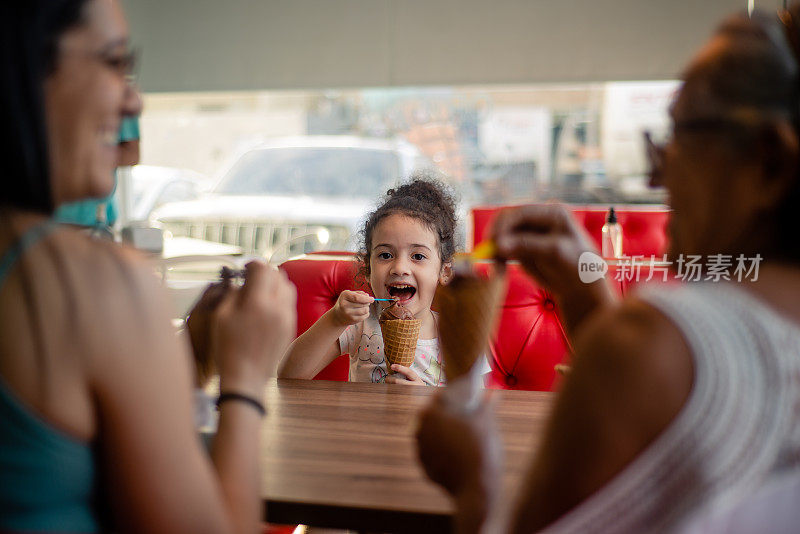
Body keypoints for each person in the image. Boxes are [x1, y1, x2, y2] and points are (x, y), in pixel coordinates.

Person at [416, 5, 800, 533]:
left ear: (771, 162)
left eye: (680, 136)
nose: (655, 170)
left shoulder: (651, 344)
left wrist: (475, 481)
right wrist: (586, 292)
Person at [0, 1, 296, 533]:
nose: (133, 99)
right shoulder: (89, 282)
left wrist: (183, 360)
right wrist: (245, 377)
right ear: (23, 63)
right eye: (115, 63)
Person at [279, 178, 490, 385]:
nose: (399, 268)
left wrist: (424, 399)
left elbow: (476, 407)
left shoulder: (460, 335)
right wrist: (335, 319)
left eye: (417, 256)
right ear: (369, 270)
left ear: (444, 271)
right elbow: (289, 375)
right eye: (385, 255)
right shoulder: (359, 324)